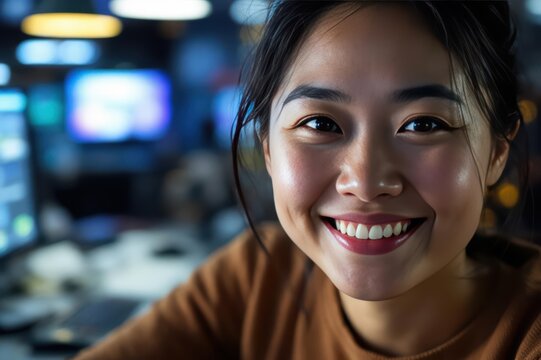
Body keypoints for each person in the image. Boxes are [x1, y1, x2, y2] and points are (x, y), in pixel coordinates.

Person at [76, 1, 541, 358]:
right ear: (268, 149)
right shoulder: (258, 277)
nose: (365, 181)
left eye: (423, 125)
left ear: (498, 150)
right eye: (320, 124)